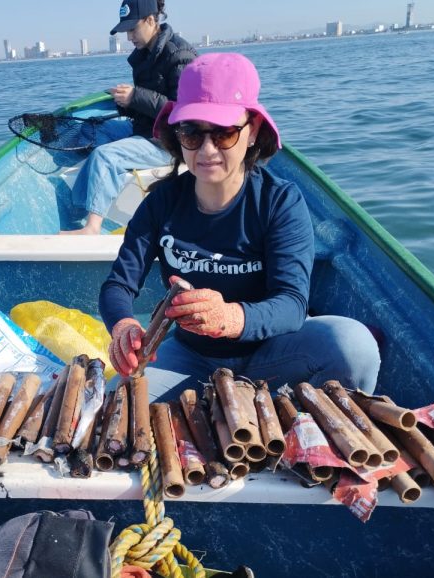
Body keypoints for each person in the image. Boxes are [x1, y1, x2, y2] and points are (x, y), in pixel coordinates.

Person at [99, 52, 381, 401]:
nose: (206, 149)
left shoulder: (279, 202)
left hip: (273, 353)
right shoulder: (161, 203)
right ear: (177, 134)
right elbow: (118, 285)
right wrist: (123, 326)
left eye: (224, 134)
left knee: (354, 346)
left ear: (253, 131)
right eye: (191, 132)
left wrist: (231, 317)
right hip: (190, 357)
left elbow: (292, 304)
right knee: (119, 400)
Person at [61, 0, 196, 235]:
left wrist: (136, 97)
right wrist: (125, 103)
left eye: (133, 29)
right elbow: (146, 106)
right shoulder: (145, 55)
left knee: (104, 155)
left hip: (169, 141)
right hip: (146, 130)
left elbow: (183, 111)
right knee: (93, 129)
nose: (129, 37)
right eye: (127, 31)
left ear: (152, 21)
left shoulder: (179, 55)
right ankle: (79, 207)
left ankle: (92, 227)